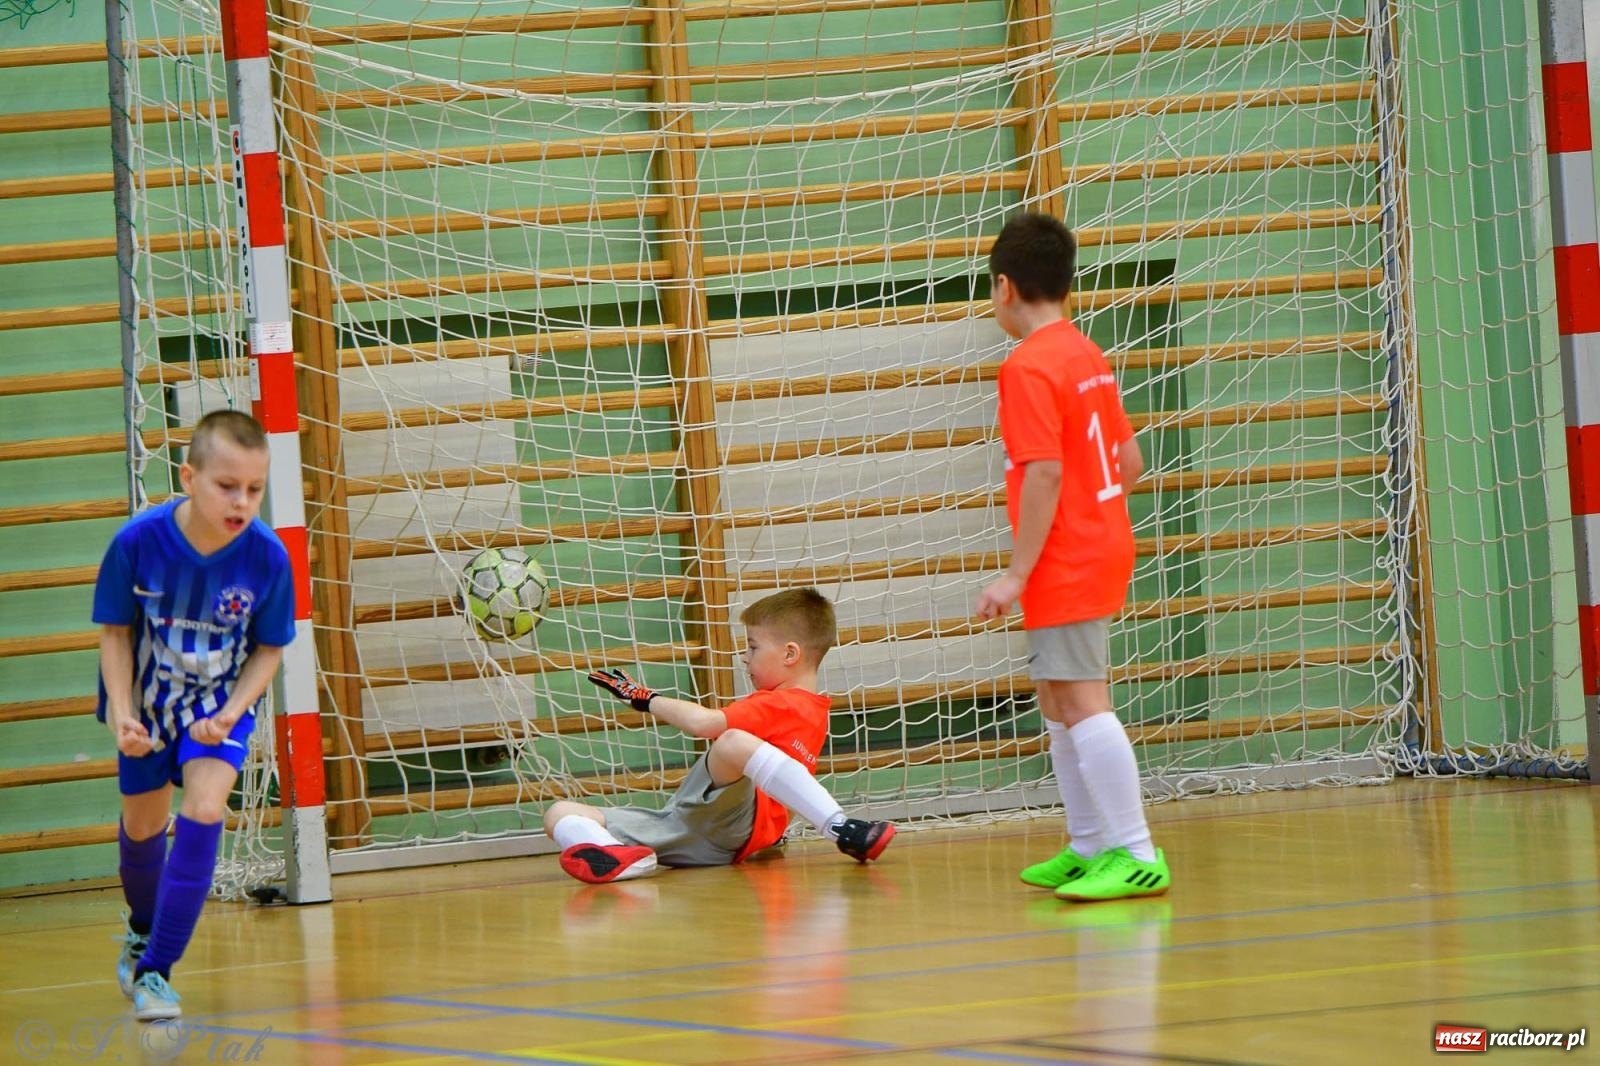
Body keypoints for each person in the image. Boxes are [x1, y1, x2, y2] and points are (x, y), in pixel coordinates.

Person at [975, 211, 1171, 902]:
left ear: (1004, 287)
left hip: (1065, 556)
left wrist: (1016, 574)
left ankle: (1136, 850)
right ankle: (1089, 846)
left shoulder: (1027, 367)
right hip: (1101, 541)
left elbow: (1046, 472)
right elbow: (1130, 459)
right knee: (1059, 700)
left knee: (1083, 700)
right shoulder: (1085, 352)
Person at [97, 410, 295, 1020]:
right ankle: (140, 929)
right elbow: (116, 636)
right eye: (226, 486)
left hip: (219, 704)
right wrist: (124, 716)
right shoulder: (137, 542)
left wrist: (233, 711)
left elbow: (269, 648)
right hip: (149, 703)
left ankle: (156, 971)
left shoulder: (268, 558)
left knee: (206, 808)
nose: (242, 501)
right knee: (143, 827)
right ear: (189, 477)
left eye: (254, 489)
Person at [545, 588, 894, 883]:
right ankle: (625, 859)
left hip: (729, 823)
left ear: (790, 653)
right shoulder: (813, 710)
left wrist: (644, 698)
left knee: (731, 740)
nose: (744, 658)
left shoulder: (784, 704)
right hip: (699, 832)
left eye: (753, 647)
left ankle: (841, 828)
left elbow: (705, 724)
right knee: (561, 812)